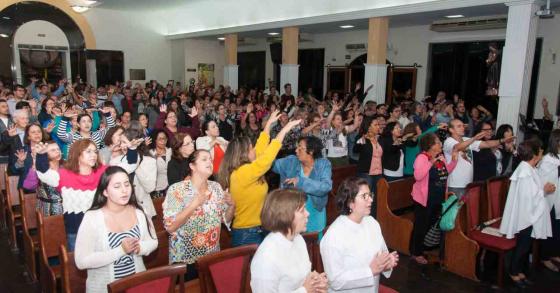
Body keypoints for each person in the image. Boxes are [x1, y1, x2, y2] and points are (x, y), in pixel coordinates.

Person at [35, 139, 141, 250]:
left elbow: (128, 167)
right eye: (88, 151)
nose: (94, 155)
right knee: (80, 265)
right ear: (77, 154)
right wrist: (41, 155)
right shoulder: (63, 174)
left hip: (103, 228)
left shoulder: (103, 172)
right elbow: (44, 174)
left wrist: (132, 149)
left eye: (95, 152)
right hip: (76, 231)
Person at [217, 110, 301, 247]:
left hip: (259, 229)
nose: (254, 151)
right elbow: (266, 158)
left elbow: (261, 147)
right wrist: (285, 129)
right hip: (246, 234)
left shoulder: (248, 169)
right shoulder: (242, 173)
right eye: (251, 149)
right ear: (244, 154)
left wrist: (268, 124)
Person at [74, 166, 157, 293]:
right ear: (105, 191)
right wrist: (121, 250)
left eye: (127, 184)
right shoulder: (92, 218)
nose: (124, 191)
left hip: (137, 284)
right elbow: (81, 261)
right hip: (104, 288)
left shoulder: (139, 211)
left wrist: (139, 248)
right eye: (117, 187)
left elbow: (153, 241)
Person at [163, 150, 235, 281]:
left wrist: (231, 206)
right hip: (185, 259)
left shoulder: (216, 187)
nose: (210, 162)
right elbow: (170, 227)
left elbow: (225, 219)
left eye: (211, 160)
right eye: (204, 159)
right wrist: (194, 204)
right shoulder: (177, 190)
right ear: (192, 166)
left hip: (212, 255)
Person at [320, 177, 398, 292]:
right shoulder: (334, 236)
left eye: (370, 195)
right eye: (364, 196)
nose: (371, 200)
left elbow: (382, 255)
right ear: (350, 203)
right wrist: (370, 271)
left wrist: (386, 263)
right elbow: (335, 281)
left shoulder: (372, 223)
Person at [250, 189, 328, 293]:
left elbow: (301, 277)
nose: (308, 213)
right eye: (302, 210)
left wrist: (315, 281)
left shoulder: (298, 238)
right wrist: (305, 290)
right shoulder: (266, 257)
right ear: (286, 216)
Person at [500, 139, 554, 288]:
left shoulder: (530, 168)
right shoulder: (524, 171)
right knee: (522, 245)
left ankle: (518, 270)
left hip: (528, 213)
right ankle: (513, 271)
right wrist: (544, 191)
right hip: (524, 215)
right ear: (535, 154)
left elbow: (533, 190)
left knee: (525, 245)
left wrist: (544, 189)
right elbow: (526, 197)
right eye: (541, 151)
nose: (542, 153)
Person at [410, 133, 457, 264]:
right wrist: (431, 162)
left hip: (438, 198)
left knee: (430, 224)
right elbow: (418, 176)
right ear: (430, 145)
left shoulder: (439, 157)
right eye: (437, 142)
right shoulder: (422, 158)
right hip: (424, 199)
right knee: (421, 226)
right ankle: (416, 253)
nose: (440, 144)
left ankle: (422, 248)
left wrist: (453, 161)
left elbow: (446, 172)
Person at [272, 136, 332, 234]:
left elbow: (326, 187)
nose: (296, 150)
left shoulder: (323, 164)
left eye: (300, 148)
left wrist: (301, 182)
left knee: (314, 243)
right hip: (293, 215)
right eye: (297, 147)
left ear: (311, 151)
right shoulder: (291, 162)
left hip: (315, 212)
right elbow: (271, 164)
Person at [443, 119, 513, 198]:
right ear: (451, 129)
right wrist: (474, 138)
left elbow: (486, 143)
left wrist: (502, 140)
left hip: (468, 184)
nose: (462, 128)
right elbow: (457, 147)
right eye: (459, 126)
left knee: (465, 210)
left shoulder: (466, 139)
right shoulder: (448, 141)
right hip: (455, 185)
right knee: (456, 210)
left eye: (463, 125)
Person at [536, 130, 560, 273]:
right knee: (549, 229)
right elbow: (544, 181)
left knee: (557, 229)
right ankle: (544, 258)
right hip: (549, 200)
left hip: (558, 200)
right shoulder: (547, 160)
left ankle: (554, 253)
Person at [23, 141, 63, 216]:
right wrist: (35, 163)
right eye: (53, 150)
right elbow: (28, 187)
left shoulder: (66, 167)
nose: (57, 151)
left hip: (66, 207)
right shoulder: (40, 169)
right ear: (44, 154)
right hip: (47, 209)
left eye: (58, 149)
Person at [354, 117, 383, 202]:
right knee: (365, 198)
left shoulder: (379, 138)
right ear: (369, 127)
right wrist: (363, 139)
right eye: (376, 125)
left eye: (378, 124)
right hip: (366, 173)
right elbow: (355, 149)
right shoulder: (362, 138)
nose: (378, 127)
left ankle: (374, 215)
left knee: (376, 198)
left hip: (379, 173)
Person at [149, 129, 172, 198]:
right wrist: (154, 159)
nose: (163, 141)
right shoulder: (150, 153)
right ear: (155, 140)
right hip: (157, 189)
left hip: (172, 186)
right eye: (160, 139)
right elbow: (149, 172)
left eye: (164, 139)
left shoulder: (171, 151)